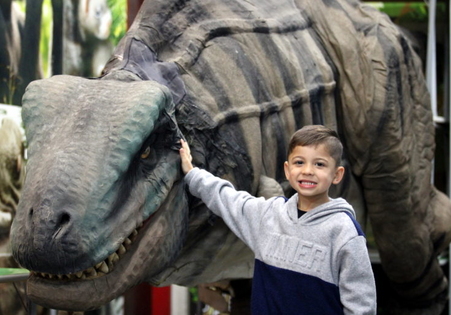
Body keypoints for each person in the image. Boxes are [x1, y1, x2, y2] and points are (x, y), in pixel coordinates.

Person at [179, 125, 376, 314]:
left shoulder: (344, 231)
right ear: (287, 170)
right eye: (300, 162)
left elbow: (361, 304)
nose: (308, 170)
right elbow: (227, 198)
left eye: (319, 164)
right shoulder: (268, 216)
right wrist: (192, 173)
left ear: (337, 174)